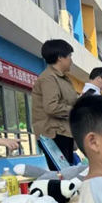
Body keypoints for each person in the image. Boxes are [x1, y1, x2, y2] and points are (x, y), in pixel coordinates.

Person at [31, 39, 79, 168]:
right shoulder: (48, 78)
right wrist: (76, 110)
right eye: (69, 56)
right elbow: (51, 107)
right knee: (61, 177)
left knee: (68, 175)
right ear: (60, 58)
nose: (71, 60)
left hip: (65, 132)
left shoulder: (63, 78)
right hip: (53, 135)